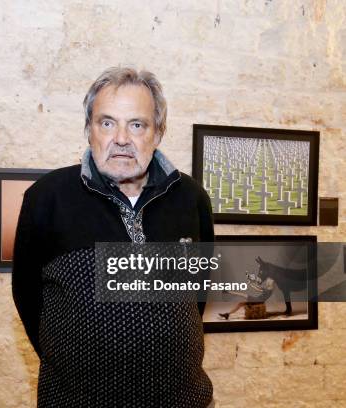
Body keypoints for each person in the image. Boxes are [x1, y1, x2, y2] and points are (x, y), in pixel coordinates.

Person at [12, 67, 215, 407]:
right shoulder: (47, 198)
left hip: (186, 400)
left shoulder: (191, 198)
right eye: (107, 123)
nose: (122, 138)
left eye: (137, 124)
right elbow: (28, 298)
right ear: (89, 129)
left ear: (158, 133)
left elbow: (197, 296)